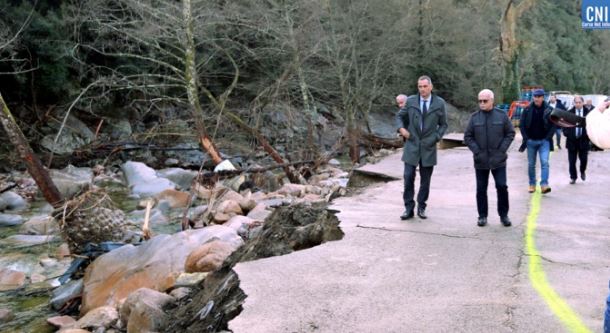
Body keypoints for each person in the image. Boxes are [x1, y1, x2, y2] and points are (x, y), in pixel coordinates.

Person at [395, 75, 448, 220]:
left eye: (425, 86)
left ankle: (422, 207)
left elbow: (444, 124)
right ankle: (408, 208)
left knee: (425, 180)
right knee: (408, 177)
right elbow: (399, 117)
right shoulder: (411, 101)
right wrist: (401, 129)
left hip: (428, 146)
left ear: (431, 87)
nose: (422, 89)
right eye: (420, 87)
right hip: (412, 144)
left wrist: (436, 137)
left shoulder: (439, 103)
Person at [464, 89, 515, 227]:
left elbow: (510, 133)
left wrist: (502, 150)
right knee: (481, 189)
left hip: (498, 160)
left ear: (492, 101)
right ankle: (482, 216)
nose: (482, 103)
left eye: (485, 101)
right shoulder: (474, 118)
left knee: (502, 186)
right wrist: (477, 151)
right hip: (481, 161)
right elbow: (468, 137)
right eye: (480, 101)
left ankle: (504, 215)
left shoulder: (501, 116)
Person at [519, 88, 556, 194]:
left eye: (539, 97)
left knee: (544, 163)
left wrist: (548, 138)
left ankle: (544, 185)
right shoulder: (527, 109)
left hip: (544, 141)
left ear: (543, 97)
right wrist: (526, 138)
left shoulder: (549, 109)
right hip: (531, 141)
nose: (536, 98)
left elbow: (554, 125)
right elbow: (522, 125)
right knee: (531, 164)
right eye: (535, 96)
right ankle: (532, 184)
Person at [562, 96, 590, 184]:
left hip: (583, 140)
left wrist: (589, 136)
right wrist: (567, 133)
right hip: (572, 140)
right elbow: (564, 125)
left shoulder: (588, 113)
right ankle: (573, 177)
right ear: (574, 103)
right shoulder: (569, 113)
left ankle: (582, 171)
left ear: (583, 103)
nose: (577, 104)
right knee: (572, 161)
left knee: (584, 159)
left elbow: (591, 126)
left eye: (579, 102)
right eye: (576, 102)